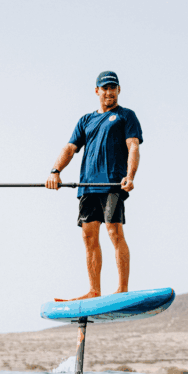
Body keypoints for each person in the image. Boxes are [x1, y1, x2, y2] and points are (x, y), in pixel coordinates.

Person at [45, 70, 143, 301]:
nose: (109, 92)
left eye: (113, 87)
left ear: (119, 90)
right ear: (97, 91)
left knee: (114, 231)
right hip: (87, 186)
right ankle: (94, 291)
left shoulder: (126, 116)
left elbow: (134, 147)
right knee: (89, 237)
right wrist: (55, 172)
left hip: (112, 184)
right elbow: (70, 148)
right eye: (105, 88)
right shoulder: (86, 120)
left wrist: (130, 176)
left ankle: (121, 289)